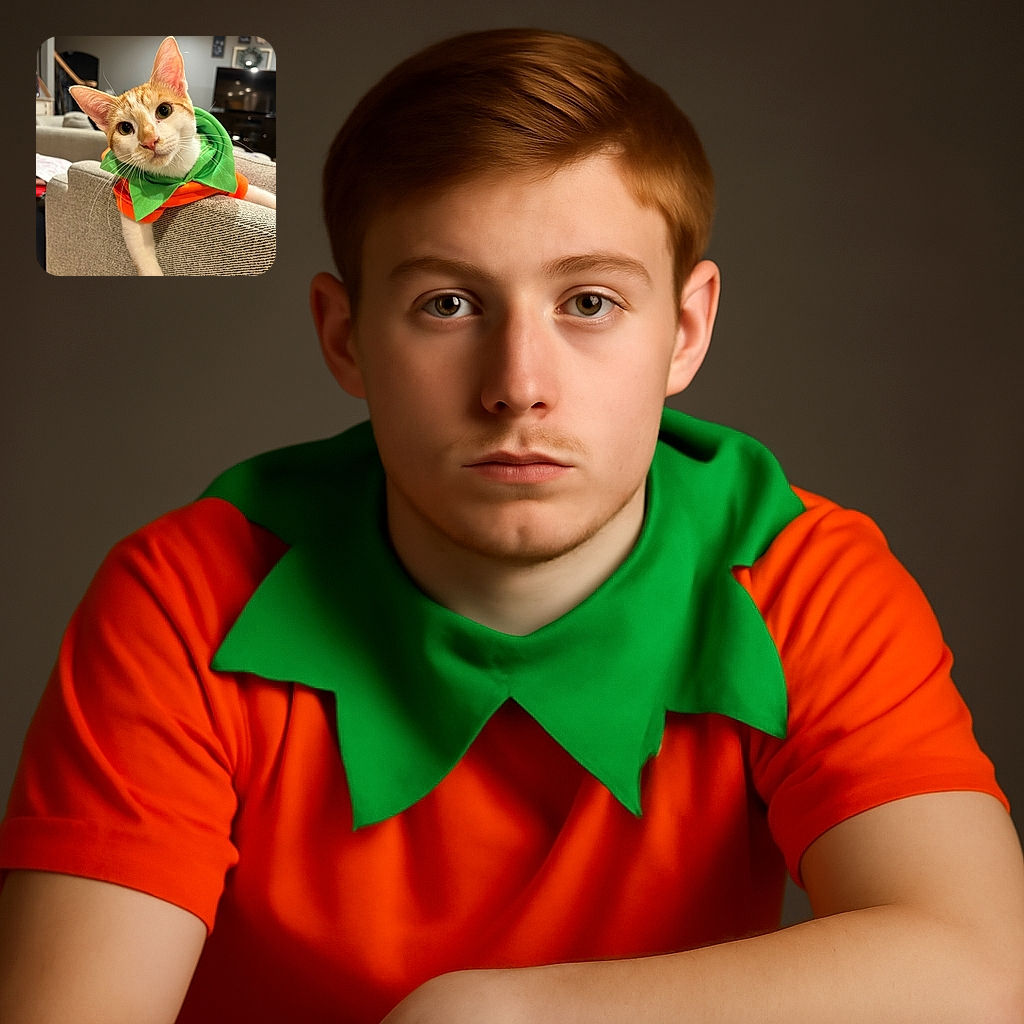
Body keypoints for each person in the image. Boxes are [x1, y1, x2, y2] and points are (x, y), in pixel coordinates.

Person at [1, 27, 1021, 1024]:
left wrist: (495, 1013)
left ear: (686, 329)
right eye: (448, 304)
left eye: (590, 302)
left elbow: (980, 968)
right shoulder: (186, 593)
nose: (517, 386)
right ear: (345, 338)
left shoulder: (800, 575)